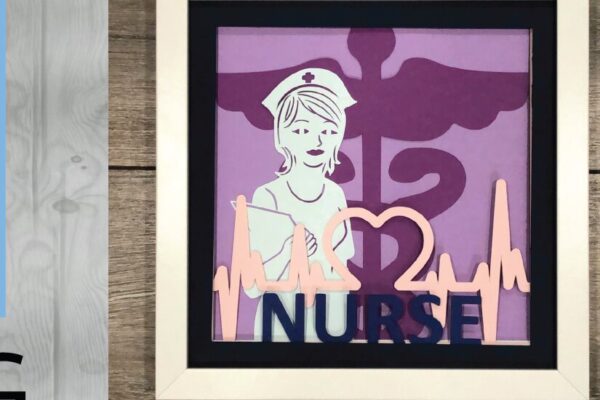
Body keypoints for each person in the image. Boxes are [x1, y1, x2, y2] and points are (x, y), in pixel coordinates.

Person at [243, 68, 357, 342]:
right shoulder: (267, 196)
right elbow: (252, 285)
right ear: (282, 136)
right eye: (302, 130)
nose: (316, 141)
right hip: (282, 319)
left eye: (327, 130)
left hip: (332, 318)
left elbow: (343, 265)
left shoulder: (335, 194)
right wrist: (289, 251)